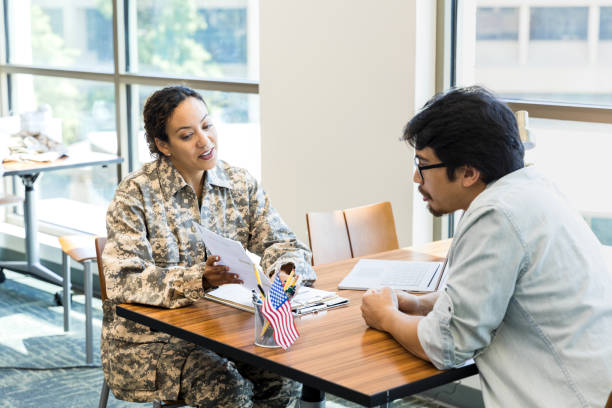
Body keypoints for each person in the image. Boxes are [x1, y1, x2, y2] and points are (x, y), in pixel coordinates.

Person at [360, 86, 612, 407]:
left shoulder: (495, 215)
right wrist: (422, 304)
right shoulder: (534, 191)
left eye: (423, 164)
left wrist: (385, 317)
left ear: (469, 172)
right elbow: (505, 294)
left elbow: (447, 346)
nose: (416, 177)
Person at [101, 85, 316, 407]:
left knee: (282, 377)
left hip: (225, 330)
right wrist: (199, 279)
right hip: (151, 342)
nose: (205, 141)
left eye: (207, 125)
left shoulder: (239, 183)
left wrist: (284, 272)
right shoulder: (136, 194)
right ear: (163, 144)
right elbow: (124, 279)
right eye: (187, 135)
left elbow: (282, 242)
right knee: (227, 390)